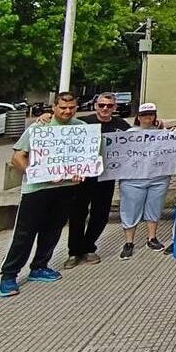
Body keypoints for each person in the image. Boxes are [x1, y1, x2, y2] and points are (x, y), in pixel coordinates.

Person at [0, 92, 84, 297]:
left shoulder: (80, 129)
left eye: (71, 107)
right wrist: (35, 172)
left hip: (64, 188)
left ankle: (39, 266)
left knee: (53, 230)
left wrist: (82, 172)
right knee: (24, 234)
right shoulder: (39, 128)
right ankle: (9, 275)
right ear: (53, 107)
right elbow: (17, 157)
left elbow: (87, 158)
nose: (67, 111)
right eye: (63, 107)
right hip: (36, 190)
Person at [66, 92, 131, 268]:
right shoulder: (83, 122)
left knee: (100, 214)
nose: (105, 109)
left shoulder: (121, 126)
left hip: (106, 177)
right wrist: (45, 116)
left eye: (109, 106)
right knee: (78, 214)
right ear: (95, 106)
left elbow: (137, 139)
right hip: (82, 176)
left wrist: (158, 125)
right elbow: (62, 127)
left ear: (114, 108)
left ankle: (88, 247)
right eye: (101, 105)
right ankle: (74, 251)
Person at [118, 103, 172, 259]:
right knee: (130, 210)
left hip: (157, 178)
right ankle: (129, 242)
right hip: (133, 180)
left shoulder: (161, 133)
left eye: (151, 114)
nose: (148, 118)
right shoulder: (129, 133)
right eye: (144, 115)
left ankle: (152, 237)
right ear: (138, 117)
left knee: (154, 208)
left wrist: (167, 132)